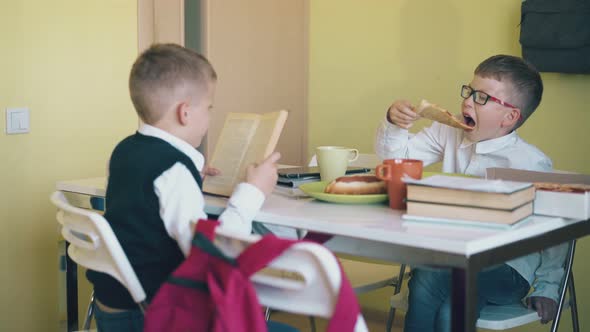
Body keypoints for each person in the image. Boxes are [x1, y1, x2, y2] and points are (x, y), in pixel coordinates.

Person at [88, 43, 281, 331]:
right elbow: (215, 254)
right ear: (185, 113)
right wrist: (253, 191)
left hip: (113, 310)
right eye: (209, 107)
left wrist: (191, 177)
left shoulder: (125, 150)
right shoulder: (173, 170)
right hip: (155, 317)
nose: (210, 115)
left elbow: (144, 206)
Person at [374, 54, 568, 332]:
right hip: (454, 256)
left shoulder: (530, 162)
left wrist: (548, 286)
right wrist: (395, 123)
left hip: (509, 269)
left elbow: (554, 232)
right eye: (469, 91)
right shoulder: (447, 132)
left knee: (429, 276)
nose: (467, 101)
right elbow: (396, 160)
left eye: (482, 97)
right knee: (451, 306)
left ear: (510, 117)